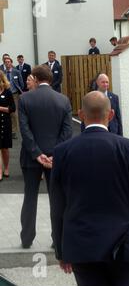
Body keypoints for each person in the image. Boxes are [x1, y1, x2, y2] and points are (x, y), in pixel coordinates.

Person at [50, 91, 129, 286]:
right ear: (111, 115)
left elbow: (57, 206)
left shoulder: (62, 152)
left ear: (81, 114)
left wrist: (61, 251)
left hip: (82, 245)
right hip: (126, 244)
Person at [18, 65, 72, 249]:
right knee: (56, 198)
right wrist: (53, 155)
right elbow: (67, 132)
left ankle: (26, 239)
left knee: (30, 197)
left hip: (31, 157)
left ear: (35, 77)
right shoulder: (63, 100)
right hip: (55, 158)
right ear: (50, 79)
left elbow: (24, 130)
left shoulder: (25, 99)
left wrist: (37, 153)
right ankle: (58, 239)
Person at [0, 71, 16, 181]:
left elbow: (12, 108)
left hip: (5, 122)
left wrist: (0, 108)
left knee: (5, 148)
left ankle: (6, 168)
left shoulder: (8, 92)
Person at [4, 57, 23, 139]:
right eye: (6, 62)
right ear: (4, 64)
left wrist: (21, 91)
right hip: (5, 94)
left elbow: (21, 82)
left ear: (11, 63)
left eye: (9, 62)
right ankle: (8, 129)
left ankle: (14, 131)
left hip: (14, 94)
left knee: (14, 113)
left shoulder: (16, 72)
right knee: (6, 112)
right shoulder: (3, 72)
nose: (7, 63)